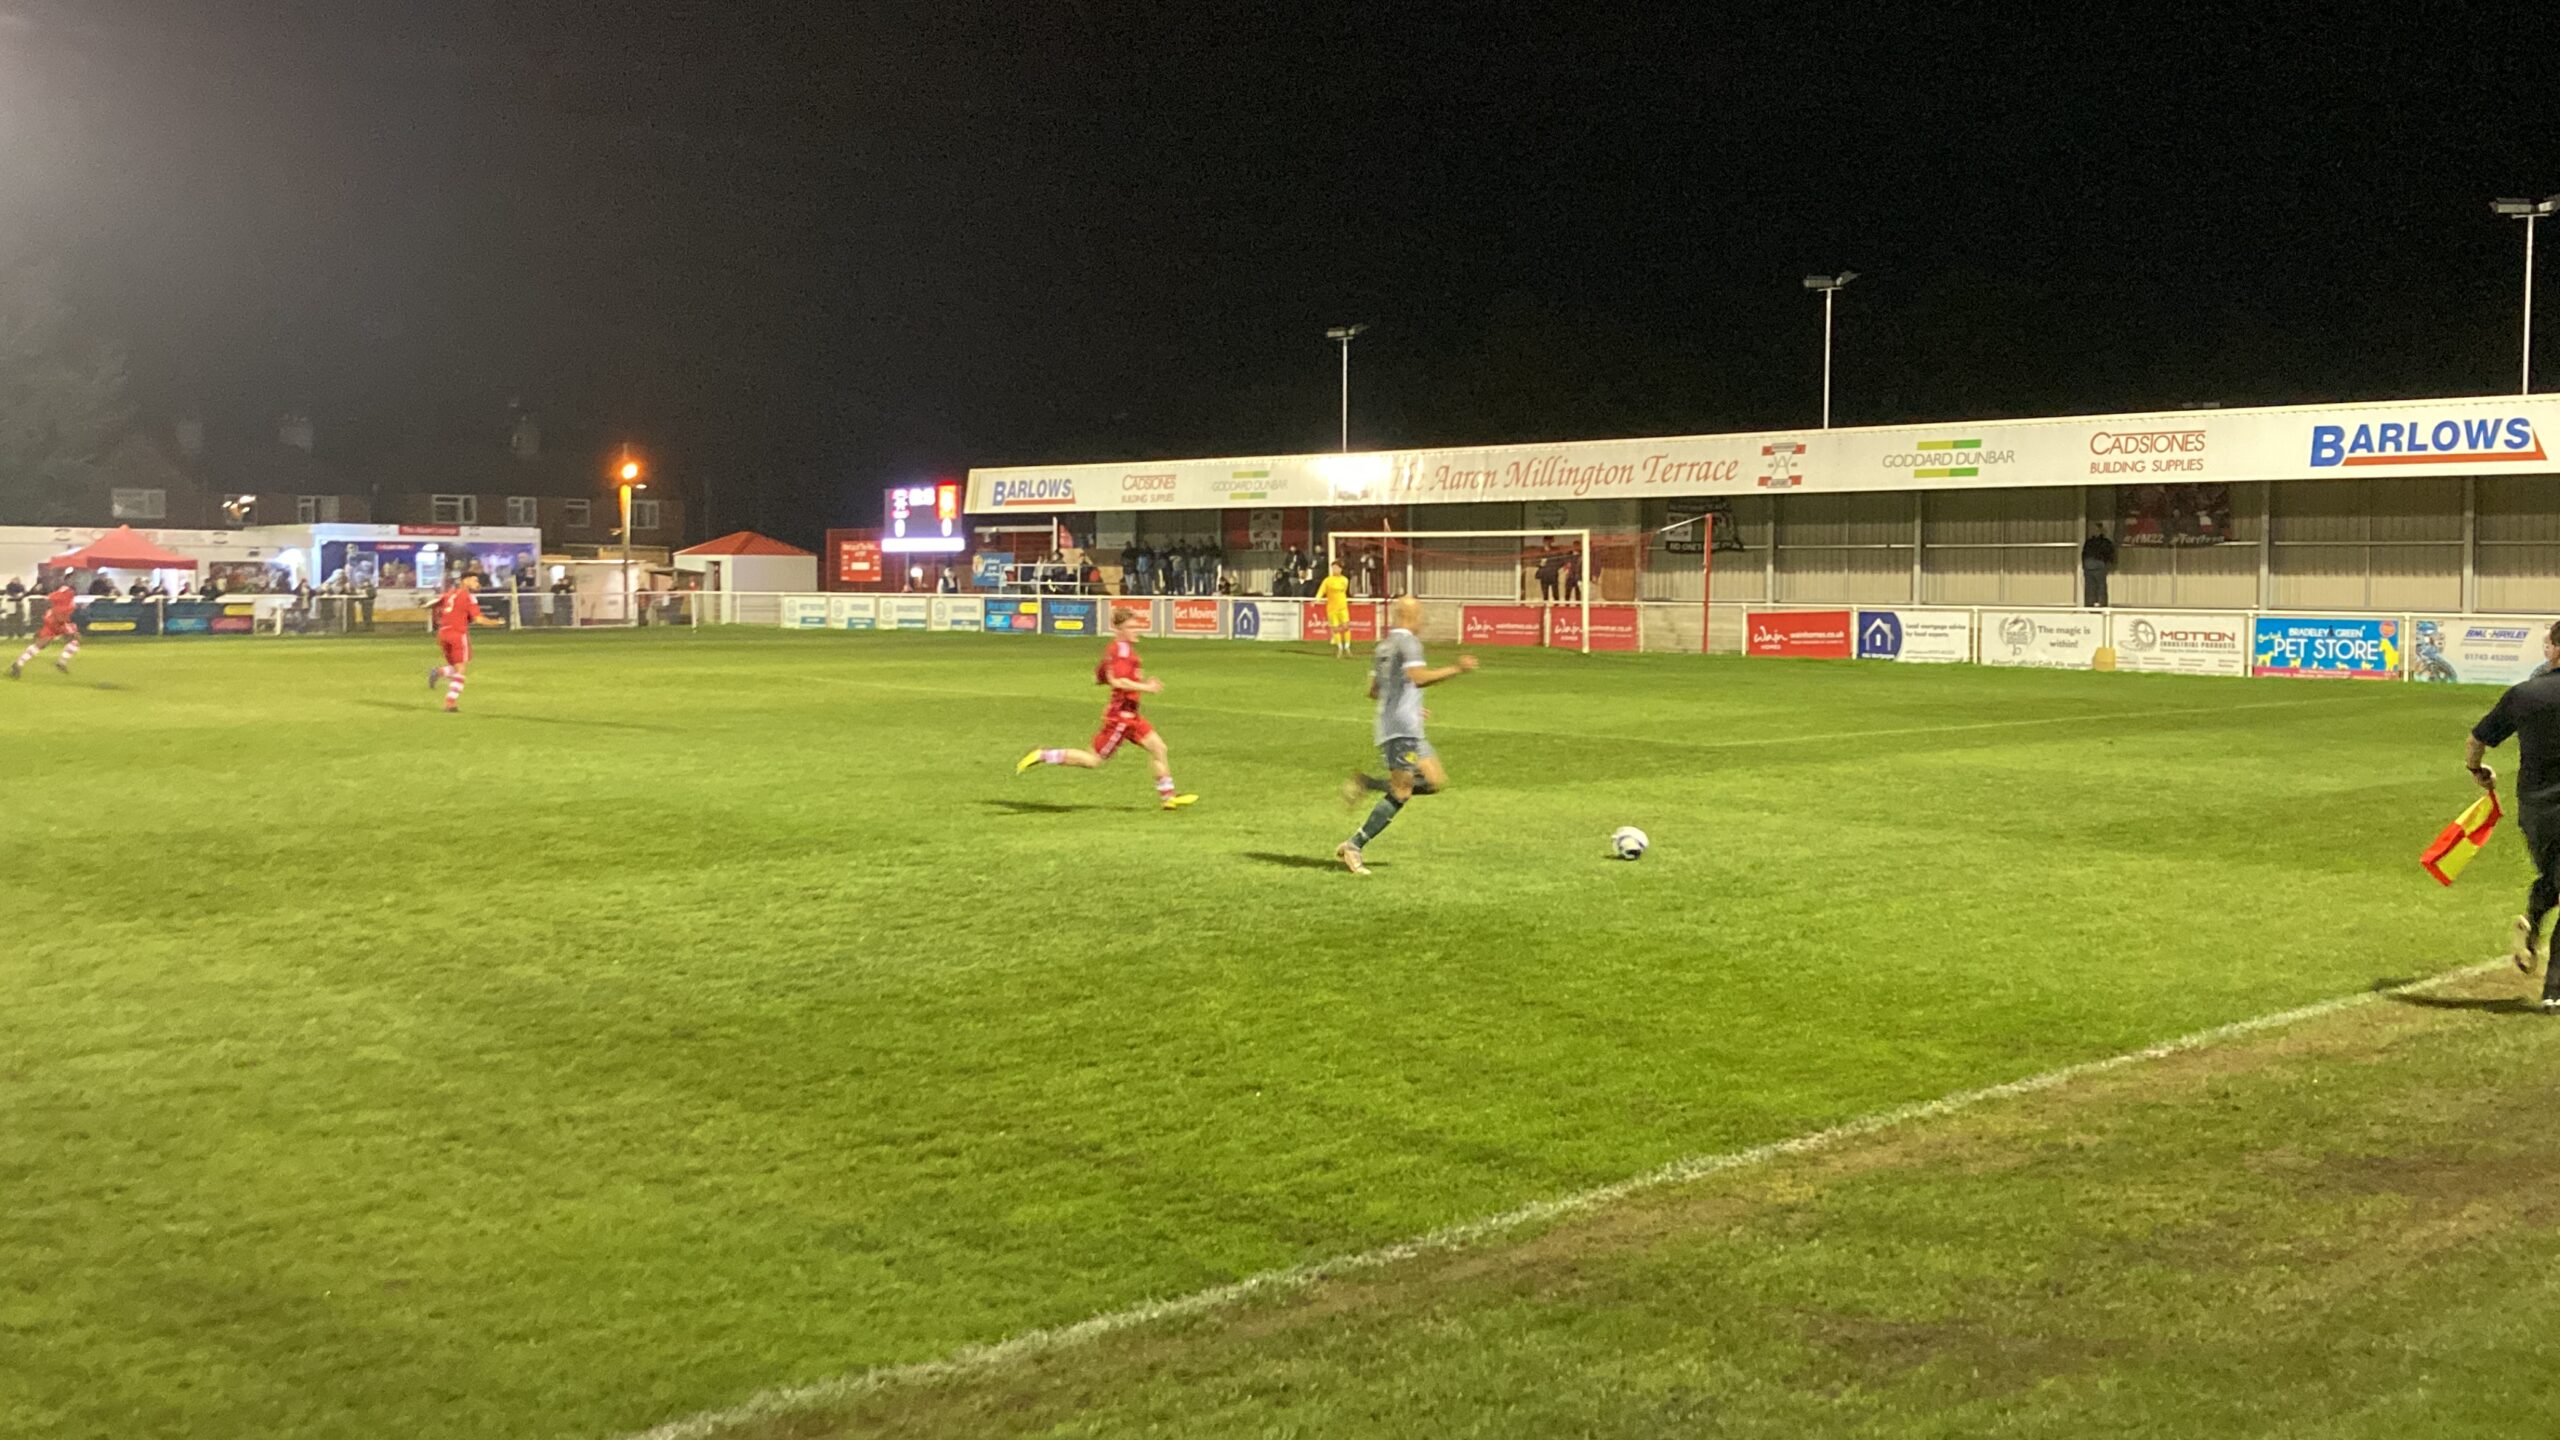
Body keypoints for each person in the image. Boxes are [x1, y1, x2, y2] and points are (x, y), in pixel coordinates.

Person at [1336, 594, 1478, 875]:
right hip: (1400, 730)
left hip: (1402, 724)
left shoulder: (1384, 646)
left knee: (1434, 781)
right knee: (1402, 791)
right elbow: (1419, 678)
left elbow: (1374, 691)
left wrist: (1410, 706)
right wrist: (1457, 668)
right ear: (1410, 616)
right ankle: (1354, 845)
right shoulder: (1409, 642)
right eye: (1421, 614)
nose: (1423, 620)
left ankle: (1366, 783)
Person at [1014, 606, 1197, 810]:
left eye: (1136, 626)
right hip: (1120, 718)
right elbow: (1118, 680)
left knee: (1158, 747)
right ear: (1119, 629)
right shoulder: (1122, 650)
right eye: (1131, 627)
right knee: (1093, 760)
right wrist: (1146, 687)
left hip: (1131, 715)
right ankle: (1044, 755)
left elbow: (1101, 675)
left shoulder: (1115, 649)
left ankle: (1168, 798)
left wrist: (1110, 679)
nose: (1136, 630)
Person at [2466, 622, 2560, 1009]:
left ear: (2554, 648)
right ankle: (2555, 990)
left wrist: (2477, 770)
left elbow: (2478, 739)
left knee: (2555, 876)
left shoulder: (2525, 694)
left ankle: (2534, 920)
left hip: (2537, 808)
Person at [425, 576, 484, 714]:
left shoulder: (450, 594)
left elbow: (434, 603)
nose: (477, 584)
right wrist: (494, 622)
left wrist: (429, 608)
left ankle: (439, 672)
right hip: (457, 633)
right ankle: (450, 702)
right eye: (475, 581)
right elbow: (477, 618)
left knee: (456, 666)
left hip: (443, 633)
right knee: (461, 669)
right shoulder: (468, 597)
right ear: (465, 581)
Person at [9, 578, 83, 679]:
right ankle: (62, 661)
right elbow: (59, 607)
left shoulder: (63, 595)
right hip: (58, 622)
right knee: (75, 639)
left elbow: (51, 598)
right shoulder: (67, 595)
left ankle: (19, 663)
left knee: (40, 644)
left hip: (53, 621)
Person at [1317, 560, 1355, 659]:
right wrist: (1317, 599)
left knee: (1346, 627)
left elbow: (1342, 589)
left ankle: (1347, 647)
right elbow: (1322, 590)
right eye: (1333, 568)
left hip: (1342, 607)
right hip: (1331, 608)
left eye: (1337, 568)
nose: (1335, 570)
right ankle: (1340, 648)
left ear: (1341, 569)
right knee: (1335, 629)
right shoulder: (1327, 580)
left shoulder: (1344, 580)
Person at [2081, 523, 2117, 608]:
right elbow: (2084, 554)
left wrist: (2107, 564)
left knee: (2099, 587)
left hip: (2097, 566)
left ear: (2101, 530)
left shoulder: (2104, 542)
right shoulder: (2090, 542)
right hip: (2090, 567)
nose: (2095, 531)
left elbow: (2110, 554)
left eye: (2096, 530)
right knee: (2091, 587)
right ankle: (2090, 605)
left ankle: (2101, 605)